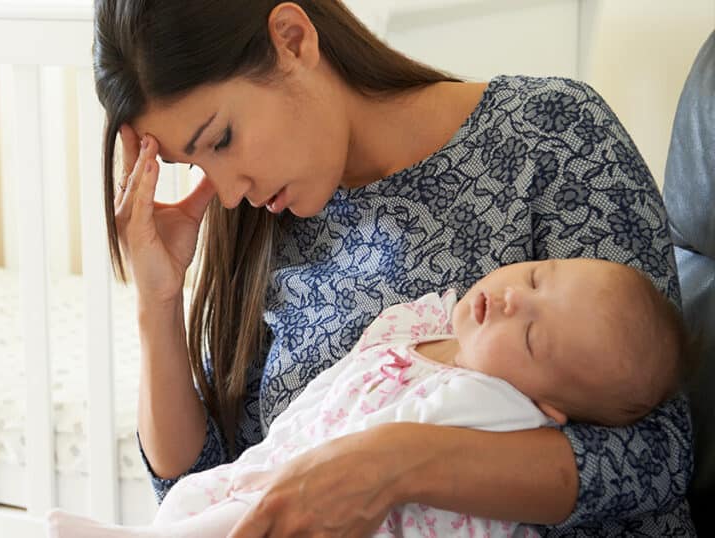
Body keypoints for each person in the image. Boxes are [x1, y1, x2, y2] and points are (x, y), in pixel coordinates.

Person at [91, 1, 694, 535]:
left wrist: (394, 462)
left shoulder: (553, 133)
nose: (225, 193)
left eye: (220, 139)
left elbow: (656, 453)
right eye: (189, 164)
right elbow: (203, 496)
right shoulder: (260, 225)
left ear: (293, 39)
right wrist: (158, 302)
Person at [45, 258, 688, 537]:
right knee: (193, 497)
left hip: (357, 519)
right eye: (538, 277)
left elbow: (664, 456)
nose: (517, 298)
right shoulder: (426, 323)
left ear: (550, 406)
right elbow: (191, 461)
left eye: (534, 335)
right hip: (283, 463)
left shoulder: (498, 404)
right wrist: (158, 302)